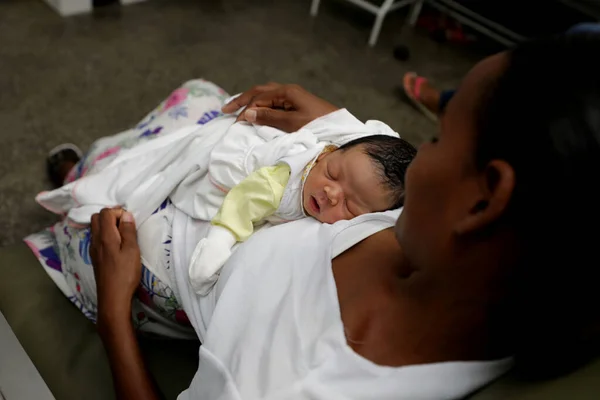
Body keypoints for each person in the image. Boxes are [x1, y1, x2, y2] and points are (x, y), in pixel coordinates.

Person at [38, 32, 600, 399]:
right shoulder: (463, 251)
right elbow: (381, 158)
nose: (417, 150)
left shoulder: (295, 383)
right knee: (204, 98)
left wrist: (114, 307)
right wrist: (337, 123)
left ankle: (77, 172)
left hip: (161, 268)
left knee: (101, 198)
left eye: (438, 137)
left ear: (483, 201)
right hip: (238, 203)